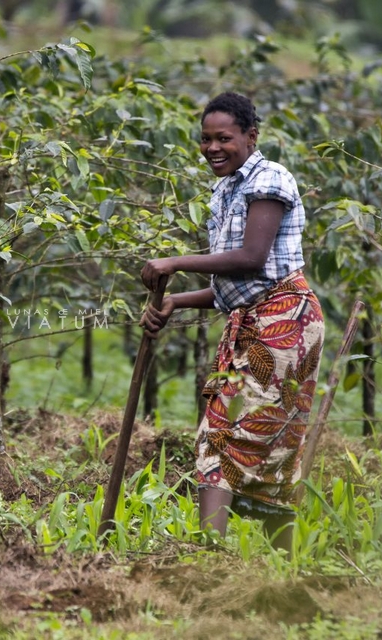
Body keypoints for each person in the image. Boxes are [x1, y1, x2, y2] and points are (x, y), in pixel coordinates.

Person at [139, 92, 324, 551]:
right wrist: (175, 301)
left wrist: (174, 262)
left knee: (242, 435)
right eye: (205, 139)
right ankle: (264, 559)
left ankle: (212, 556)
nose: (212, 147)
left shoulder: (270, 178)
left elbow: (251, 259)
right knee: (246, 433)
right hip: (250, 322)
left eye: (224, 138)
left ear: (250, 136)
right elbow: (234, 283)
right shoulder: (225, 189)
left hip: (285, 324)